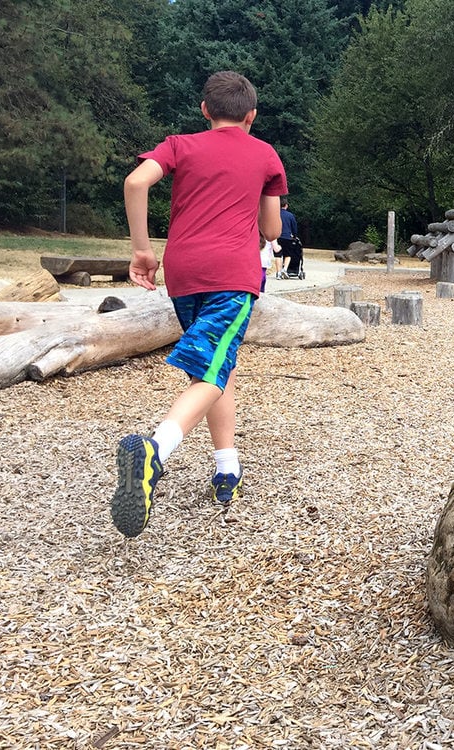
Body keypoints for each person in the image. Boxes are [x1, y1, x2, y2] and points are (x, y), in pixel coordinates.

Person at [112, 70, 287, 538]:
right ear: (251, 115)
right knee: (213, 366)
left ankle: (227, 467)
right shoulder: (266, 154)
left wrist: (142, 250)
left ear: (205, 110)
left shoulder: (178, 145)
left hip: (184, 272)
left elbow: (135, 183)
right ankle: (155, 451)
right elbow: (271, 232)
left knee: (213, 366)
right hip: (233, 274)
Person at [276, 198, 301, 279]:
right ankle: (285, 269)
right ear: (286, 205)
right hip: (287, 237)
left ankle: (278, 273)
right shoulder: (290, 215)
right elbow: (294, 227)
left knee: (278, 255)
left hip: (277, 237)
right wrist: (294, 235)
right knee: (288, 255)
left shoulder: (275, 214)